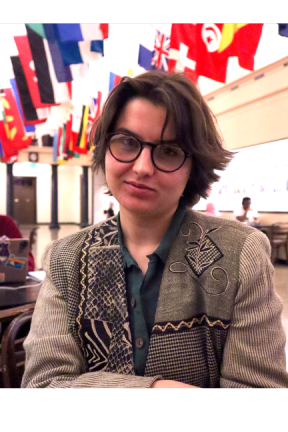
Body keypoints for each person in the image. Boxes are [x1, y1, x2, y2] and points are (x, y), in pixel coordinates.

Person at [22, 70, 288, 389]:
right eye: (127, 142)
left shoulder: (241, 254)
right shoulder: (66, 258)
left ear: (193, 167)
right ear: (106, 148)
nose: (143, 167)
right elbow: (44, 382)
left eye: (168, 151)